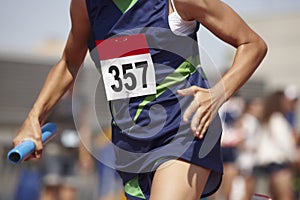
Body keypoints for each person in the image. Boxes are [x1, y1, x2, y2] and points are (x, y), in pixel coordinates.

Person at [12, 0, 267, 199]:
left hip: (184, 130)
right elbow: (69, 61)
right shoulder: (86, 5)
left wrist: (217, 94)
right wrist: (33, 119)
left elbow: (252, 44)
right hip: (131, 143)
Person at [254, 91, 297, 200]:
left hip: (268, 165)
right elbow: (286, 145)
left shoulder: (269, 119)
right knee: (285, 196)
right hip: (278, 164)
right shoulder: (277, 119)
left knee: (270, 196)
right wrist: (294, 158)